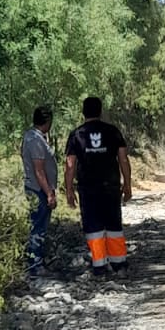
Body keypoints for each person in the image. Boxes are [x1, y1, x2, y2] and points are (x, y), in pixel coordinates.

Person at [64, 96, 132, 276]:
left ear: (83, 112)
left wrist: (69, 190)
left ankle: (99, 265)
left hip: (88, 188)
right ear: (100, 111)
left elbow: (70, 165)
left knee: (93, 227)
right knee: (113, 225)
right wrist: (127, 185)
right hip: (110, 187)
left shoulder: (76, 135)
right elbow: (123, 159)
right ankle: (119, 264)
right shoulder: (113, 132)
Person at [21, 105, 57, 277]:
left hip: (38, 188)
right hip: (38, 190)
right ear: (48, 121)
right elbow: (39, 170)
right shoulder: (35, 140)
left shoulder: (35, 137)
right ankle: (34, 265)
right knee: (37, 227)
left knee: (39, 226)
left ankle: (37, 261)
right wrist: (49, 193)